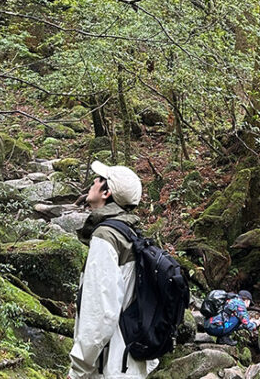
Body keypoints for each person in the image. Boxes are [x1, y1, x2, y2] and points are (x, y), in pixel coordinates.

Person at [68, 161, 154, 379]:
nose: (93, 182)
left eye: (98, 180)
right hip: (131, 358)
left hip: (111, 365)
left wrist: (78, 369)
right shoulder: (131, 234)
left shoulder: (106, 236)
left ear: (106, 192)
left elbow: (100, 311)